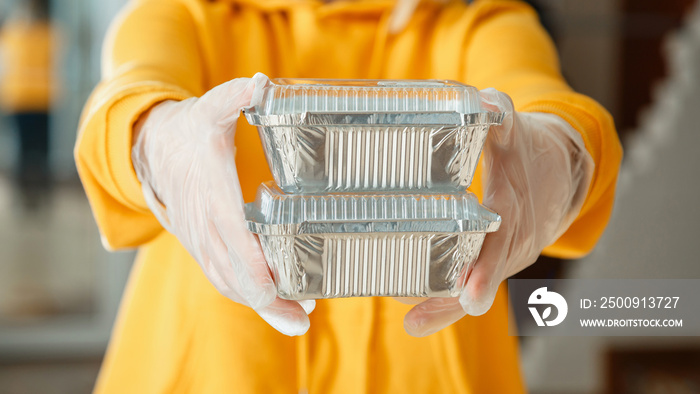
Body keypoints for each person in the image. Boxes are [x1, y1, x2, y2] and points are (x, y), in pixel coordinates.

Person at [75, 0, 622, 392]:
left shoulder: (484, 21)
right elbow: (130, 90)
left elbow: (543, 94)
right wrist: (152, 138)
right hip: (208, 371)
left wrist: (564, 155)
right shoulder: (181, 14)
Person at [0, 0, 55, 206]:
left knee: (41, 149)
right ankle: (23, 194)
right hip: (19, 100)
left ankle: (41, 192)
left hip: (42, 100)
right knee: (22, 150)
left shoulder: (48, 33)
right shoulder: (11, 33)